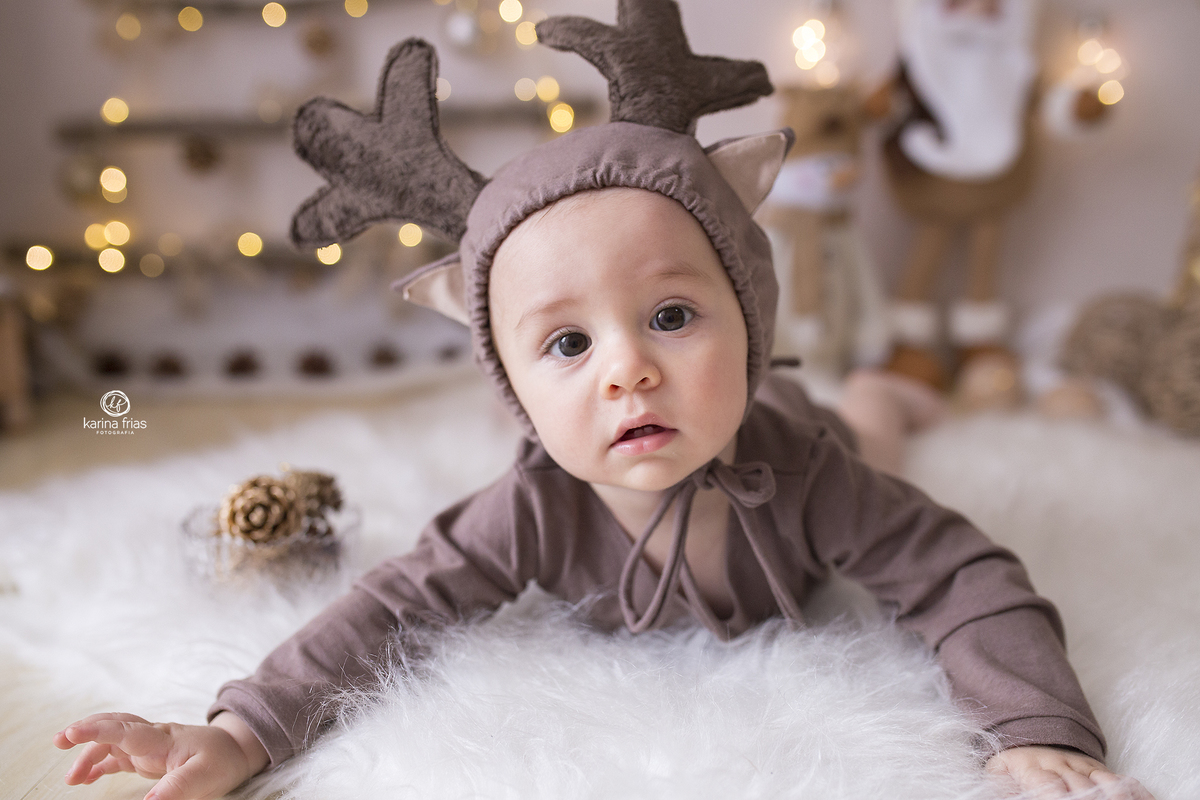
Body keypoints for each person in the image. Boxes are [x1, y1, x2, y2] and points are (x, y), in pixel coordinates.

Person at [54, 4, 1152, 799]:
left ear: (749, 314)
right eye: (569, 343)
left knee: (870, 424)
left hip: (804, 421)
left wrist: (1033, 728)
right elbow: (388, 608)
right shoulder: (532, 509)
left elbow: (963, 575)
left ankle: (883, 393)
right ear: (511, 380)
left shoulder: (810, 475)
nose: (628, 370)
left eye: (672, 315)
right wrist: (241, 731)